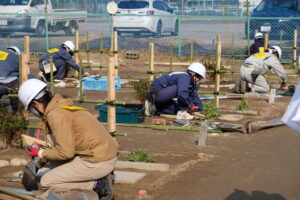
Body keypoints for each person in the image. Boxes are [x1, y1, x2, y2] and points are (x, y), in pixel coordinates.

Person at [18, 79, 119, 200]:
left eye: (30, 109)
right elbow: (57, 144)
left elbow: (66, 152)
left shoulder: (55, 115)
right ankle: (99, 178)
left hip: (99, 161)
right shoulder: (59, 105)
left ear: (36, 104)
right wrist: (38, 163)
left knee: (47, 182)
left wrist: (40, 153)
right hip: (104, 154)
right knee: (52, 145)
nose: (32, 112)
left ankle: (98, 184)